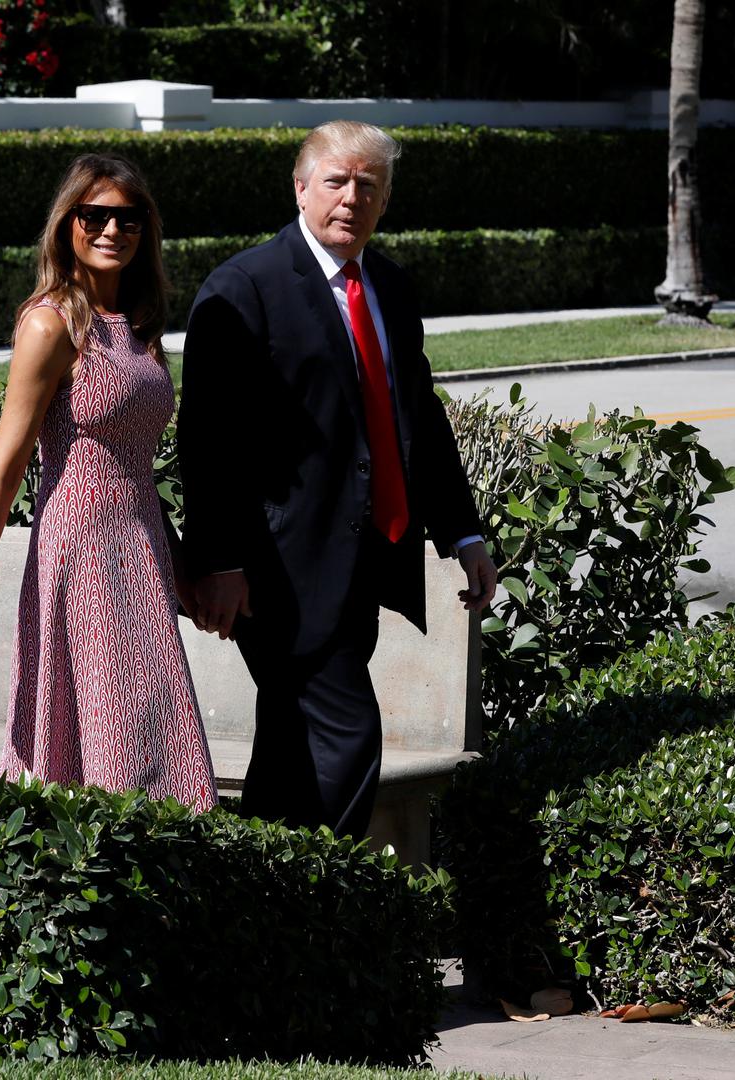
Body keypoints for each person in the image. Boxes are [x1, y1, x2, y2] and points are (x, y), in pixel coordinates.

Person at [177, 120, 497, 838]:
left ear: (385, 201)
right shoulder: (245, 287)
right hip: (276, 570)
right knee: (347, 735)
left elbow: (418, 417)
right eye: (336, 181)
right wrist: (220, 562)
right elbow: (207, 439)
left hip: (362, 560)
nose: (351, 198)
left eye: (368, 186)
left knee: (292, 749)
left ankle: (263, 890)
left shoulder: (390, 286)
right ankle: (339, 893)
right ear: (300, 189)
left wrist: (462, 532)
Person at [0, 153, 216, 811]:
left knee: (154, 735)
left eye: (129, 218)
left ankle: (152, 867)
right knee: (105, 741)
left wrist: (182, 569)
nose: (112, 230)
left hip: (142, 557)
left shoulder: (139, 328)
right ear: (67, 224)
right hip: (80, 557)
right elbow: (3, 472)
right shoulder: (51, 324)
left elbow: (134, 466)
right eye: (94, 216)